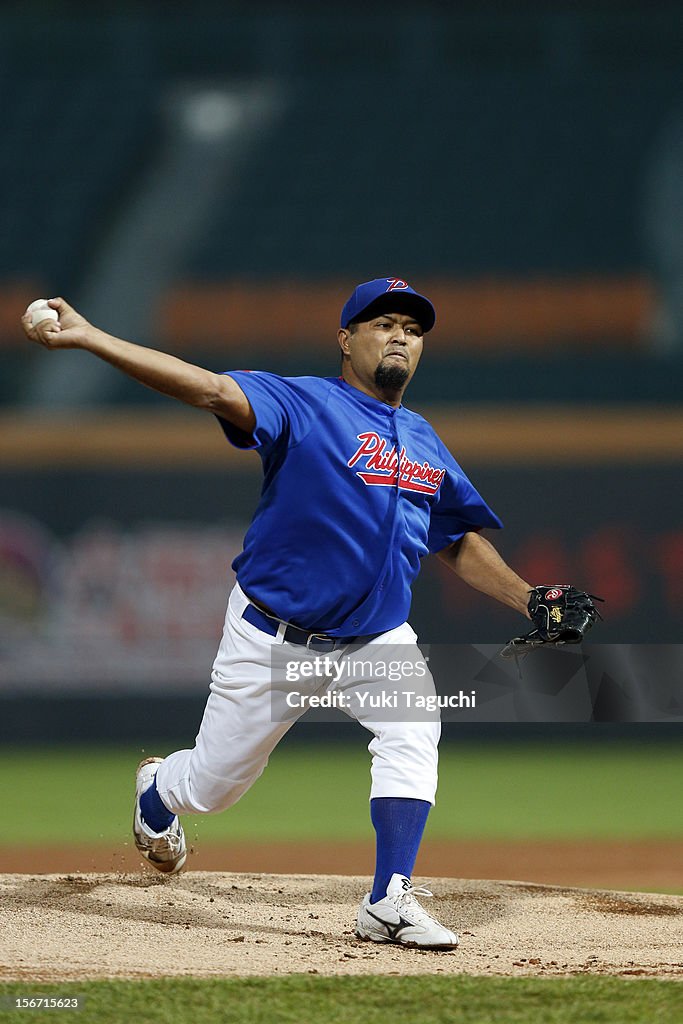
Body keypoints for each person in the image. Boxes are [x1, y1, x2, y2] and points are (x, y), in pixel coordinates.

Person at [22, 278, 534, 951]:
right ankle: (157, 790)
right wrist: (90, 337)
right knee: (212, 788)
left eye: (412, 329)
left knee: (412, 730)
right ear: (345, 339)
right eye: (382, 323)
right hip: (273, 637)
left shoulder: (421, 439)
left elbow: (453, 539)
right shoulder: (302, 402)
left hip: (374, 639)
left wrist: (531, 599)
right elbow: (207, 388)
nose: (400, 337)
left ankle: (387, 900)